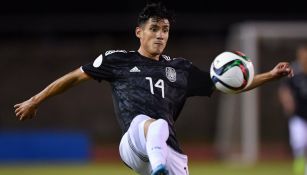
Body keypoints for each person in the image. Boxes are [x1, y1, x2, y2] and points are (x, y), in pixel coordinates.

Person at [14, 2, 293, 175]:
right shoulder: (117, 60)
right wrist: (35, 100)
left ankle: (161, 166)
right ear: (140, 32)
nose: (161, 35)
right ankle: (158, 166)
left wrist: (270, 75)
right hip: (133, 145)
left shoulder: (181, 69)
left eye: (166, 30)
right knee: (152, 124)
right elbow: (74, 77)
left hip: (169, 149)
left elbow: (227, 84)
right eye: (155, 28)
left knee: (160, 129)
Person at [278, 45, 307, 175]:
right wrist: (287, 101)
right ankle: (299, 164)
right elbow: (284, 89)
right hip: (299, 115)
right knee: (299, 142)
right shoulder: (294, 71)